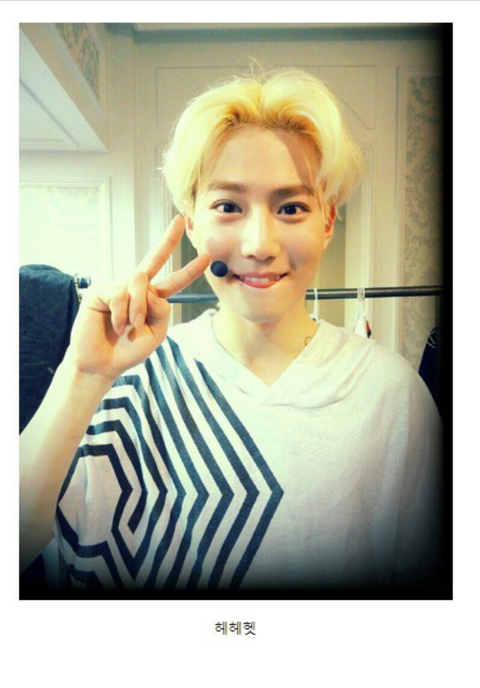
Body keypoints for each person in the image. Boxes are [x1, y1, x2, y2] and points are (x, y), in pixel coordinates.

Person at [20, 68, 443, 596]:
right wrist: (82, 375)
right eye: (228, 207)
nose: (259, 244)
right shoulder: (126, 381)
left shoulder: (393, 396)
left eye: (292, 207)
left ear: (328, 221)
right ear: (191, 221)